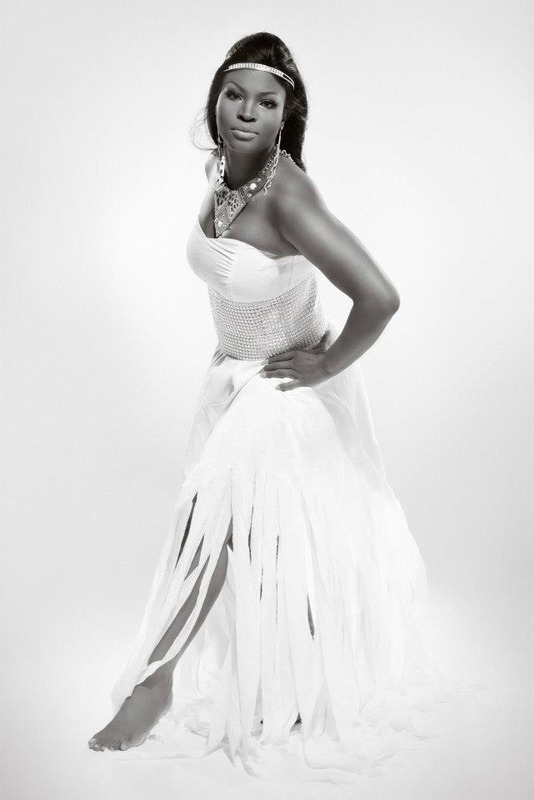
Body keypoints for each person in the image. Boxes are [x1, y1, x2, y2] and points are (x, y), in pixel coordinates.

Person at [87, 31, 449, 783]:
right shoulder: (222, 171)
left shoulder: (289, 195)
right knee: (262, 541)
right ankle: (304, 672)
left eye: (267, 102)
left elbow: (381, 298)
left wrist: (325, 366)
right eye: (234, 95)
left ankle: (155, 684)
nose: (246, 113)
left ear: (288, 114)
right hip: (230, 375)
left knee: (209, 524)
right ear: (215, 101)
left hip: (282, 387)